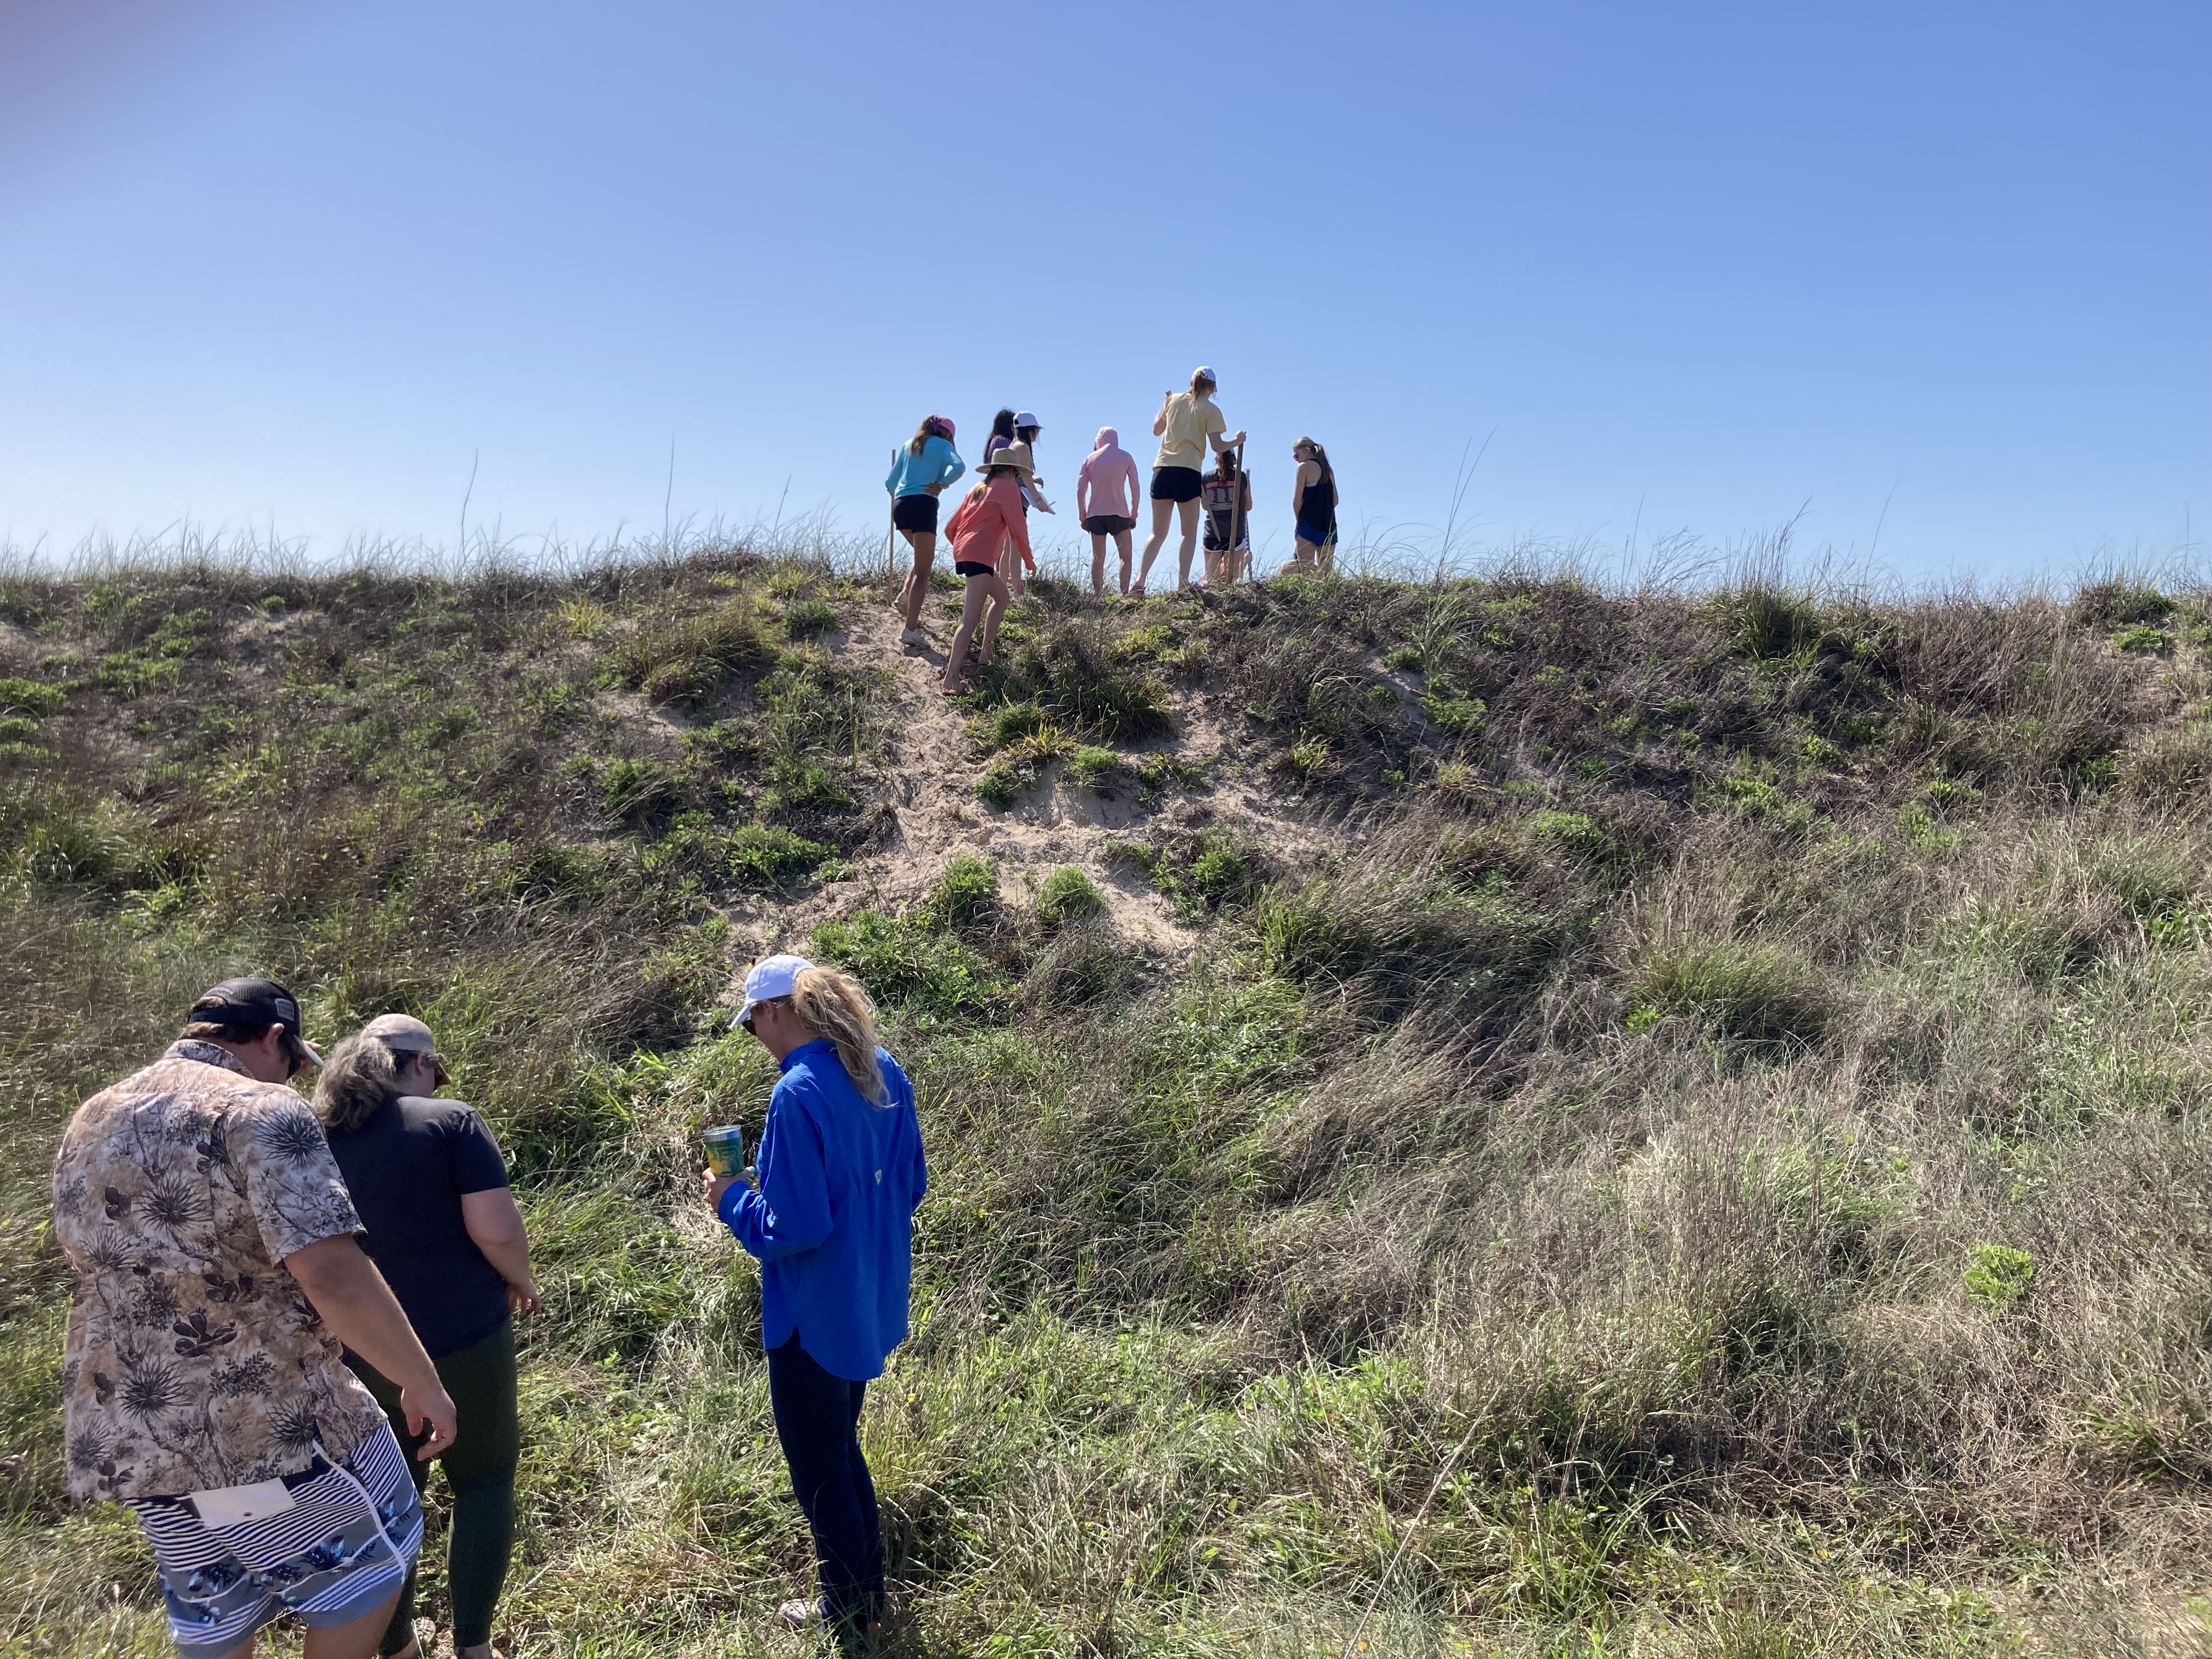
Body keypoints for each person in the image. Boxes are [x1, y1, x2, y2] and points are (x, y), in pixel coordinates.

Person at [52, 978, 458, 1659]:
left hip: (137, 1435)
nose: (295, 1077)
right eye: (295, 1061)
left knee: (215, 1605)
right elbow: (330, 1272)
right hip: (269, 1422)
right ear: (273, 1039)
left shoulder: (93, 1115)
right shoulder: (261, 1107)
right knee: (374, 1557)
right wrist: (420, 1380)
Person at [704, 956, 926, 1657]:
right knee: (840, 1446)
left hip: (811, 1316)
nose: (757, 1039)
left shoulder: (796, 1094)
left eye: (754, 1025)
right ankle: (867, 1601)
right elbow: (912, 1184)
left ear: (775, 1013)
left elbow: (794, 1228)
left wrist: (731, 1198)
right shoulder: (881, 1067)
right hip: (869, 1299)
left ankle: (849, 1615)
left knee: (819, 1467)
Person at [314, 1015, 539, 1659]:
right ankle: (472, 1647)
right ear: (416, 1065)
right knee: (486, 1478)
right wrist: (521, 1279)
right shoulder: (450, 1122)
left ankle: (399, 1648)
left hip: (360, 1349)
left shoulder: (313, 1137)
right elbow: (494, 1229)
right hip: (463, 1334)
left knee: (389, 1497)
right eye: (436, 1070)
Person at [1136, 366, 1245, 596]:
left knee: (1158, 532)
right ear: (1212, 388)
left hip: (1162, 468)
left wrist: (1165, 403)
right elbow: (1217, 446)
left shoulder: (1174, 400)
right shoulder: (1211, 409)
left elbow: (1157, 430)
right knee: (1188, 533)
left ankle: (1139, 581)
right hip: (1187, 470)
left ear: (1191, 382)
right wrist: (1236, 441)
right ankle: (1183, 584)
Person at [937, 454, 1034, 695]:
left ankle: (986, 654)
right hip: (979, 556)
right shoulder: (1008, 487)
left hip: (969, 553)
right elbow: (1018, 527)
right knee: (969, 620)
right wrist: (1029, 561)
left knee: (1002, 597)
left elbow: (951, 528)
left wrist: (964, 549)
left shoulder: (978, 488)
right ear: (1013, 470)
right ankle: (951, 678)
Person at [885, 415, 966, 645]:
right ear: (948, 434)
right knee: (924, 570)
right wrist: (942, 483)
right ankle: (910, 630)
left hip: (900, 506)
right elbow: (960, 467)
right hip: (923, 503)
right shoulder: (944, 446)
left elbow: (890, 483)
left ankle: (904, 595)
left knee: (922, 557)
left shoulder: (908, 445)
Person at [995, 411, 1053, 600]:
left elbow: (1018, 473)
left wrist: (1032, 480)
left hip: (1007, 499)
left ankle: (1003, 589)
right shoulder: (1024, 448)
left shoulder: (1014, 446)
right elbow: (1025, 477)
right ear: (1031, 430)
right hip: (1017, 502)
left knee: (1008, 548)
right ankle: (1018, 593)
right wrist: (1039, 501)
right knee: (1016, 547)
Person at [1077, 426, 1141, 596]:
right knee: (1125, 558)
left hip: (1095, 514)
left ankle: (1098, 595)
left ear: (1098, 441)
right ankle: (1125, 594)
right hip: (1120, 514)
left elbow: (1081, 490)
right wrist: (1133, 514)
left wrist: (1082, 516)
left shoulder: (1089, 459)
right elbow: (1135, 487)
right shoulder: (1126, 457)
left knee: (1098, 558)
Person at [1200, 446, 1253, 586]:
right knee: (1231, 581)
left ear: (1217, 460)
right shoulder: (1241, 477)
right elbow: (1249, 506)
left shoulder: (1205, 478)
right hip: (1234, 531)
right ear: (1234, 460)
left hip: (1212, 532)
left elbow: (1205, 506)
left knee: (1211, 580)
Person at [1289, 436, 1339, 573]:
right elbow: (1335, 500)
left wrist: (1299, 523)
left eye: (1296, 455)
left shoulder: (1303, 468)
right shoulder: (1328, 470)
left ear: (1306, 451)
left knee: (1306, 573)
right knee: (1326, 574)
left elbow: (1297, 501)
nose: (1296, 459)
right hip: (1329, 525)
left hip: (1308, 525)